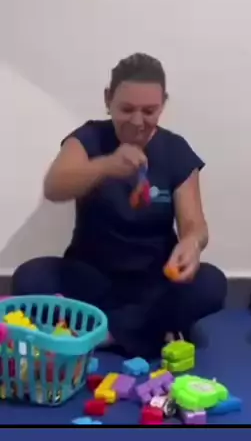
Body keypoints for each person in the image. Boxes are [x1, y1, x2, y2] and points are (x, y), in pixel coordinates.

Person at [11, 53, 227, 358]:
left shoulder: (175, 150)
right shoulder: (88, 138)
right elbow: (54, 187)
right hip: (91, 277)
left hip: (154, 280)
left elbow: (195, 224)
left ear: (163, 105)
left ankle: (100, 332)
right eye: (126, 109)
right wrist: (105, 166)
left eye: (149, 111)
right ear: (108, 99)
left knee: (211, 284)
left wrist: (192, 243)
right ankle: (145, 333)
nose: (138, 122)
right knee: (29, 278)